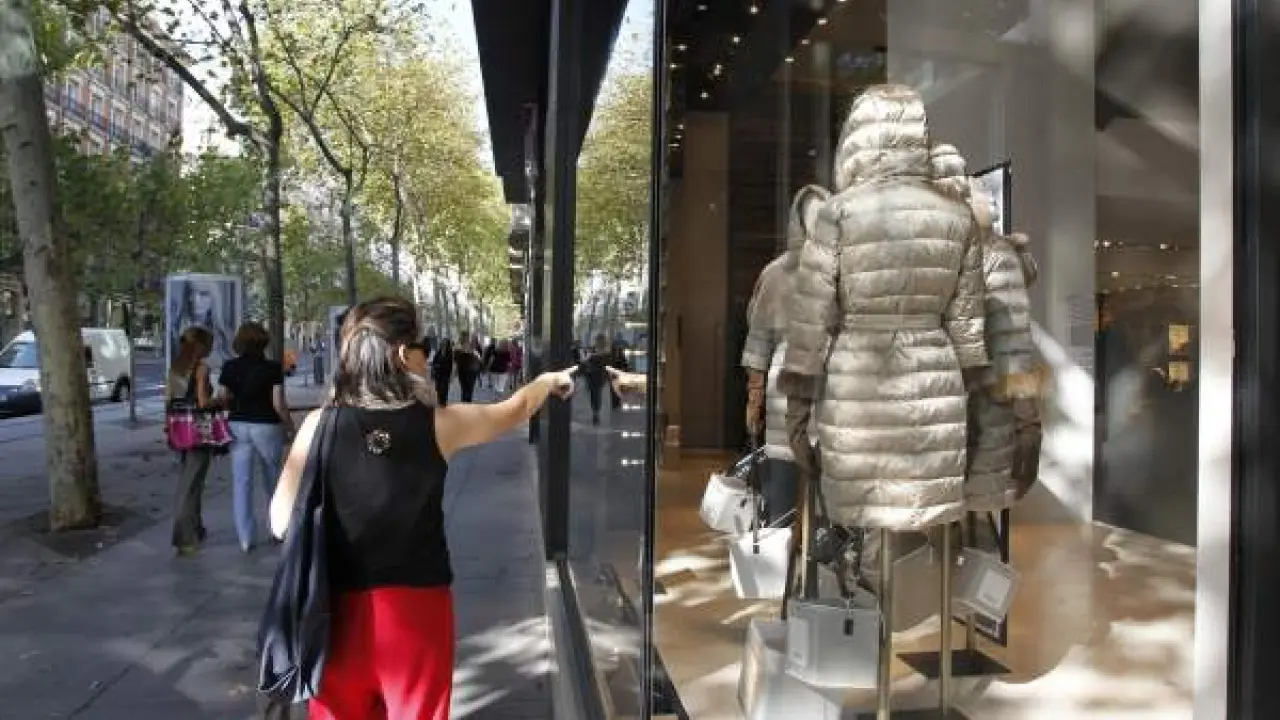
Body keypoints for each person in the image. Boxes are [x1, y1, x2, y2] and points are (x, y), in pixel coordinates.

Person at [267, 296, 574, 720]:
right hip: (416, 610)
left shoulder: (320, 424)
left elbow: (280, 521)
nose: (427, 357)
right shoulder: (438, 424)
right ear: (400, 355)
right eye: (422, 347)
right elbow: (514, 409)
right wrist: (548, 381)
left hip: (333, 612)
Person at [218, 322, 295, 553]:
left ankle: (245, 538)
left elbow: (223, 397)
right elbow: (278, 403)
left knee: (242, 482)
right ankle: (277, 528)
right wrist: (289, 426)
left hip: (238, 425)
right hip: (267, 425)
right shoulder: (272, 368)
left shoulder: (229, 367)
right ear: (263, 342)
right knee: (273, 479)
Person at [166, 325, 216, 556]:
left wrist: (168, 427)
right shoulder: (201, 368)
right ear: (201, 346)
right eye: (209, 344)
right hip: (199, 428)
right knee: (192, 483)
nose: (211, 348)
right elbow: (204, 402)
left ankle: (196, 528)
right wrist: (222, 400)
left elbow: (169, 400)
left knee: (189, 479)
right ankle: (184, 537)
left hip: (179, 428)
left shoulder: (176, 368)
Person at [578, 334, 612, 425]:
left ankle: (595, 412)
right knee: (595, 394)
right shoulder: (594, 350)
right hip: (593, 375)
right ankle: (595, 412)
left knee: (596, 394)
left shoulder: (605, 352)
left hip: (598, 376)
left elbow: (607, 364)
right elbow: (585, 361)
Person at [453, 331, 482, 403]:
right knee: (464, 389)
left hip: (471, 370)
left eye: (464, 337)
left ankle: (467, 404)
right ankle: (465, 404)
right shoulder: (458, 346)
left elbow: (479, 358)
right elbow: (455, 359)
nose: (462, 338)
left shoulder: (474, 346)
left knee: (469, 390)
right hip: (463, 370)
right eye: (461, 336)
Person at [431, 338, 454, 406]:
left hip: (445, 374)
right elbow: (434, 361)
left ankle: (443, 402)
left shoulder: (449, 353)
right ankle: (440, 401)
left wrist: (450, 375)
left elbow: (450, 364)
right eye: (443, 343)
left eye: (445, 344)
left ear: (447, 345)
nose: (443, 345)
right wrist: (435, 367)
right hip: (438, 374)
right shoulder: (438, 352)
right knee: (438, 388)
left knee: (444, 388)